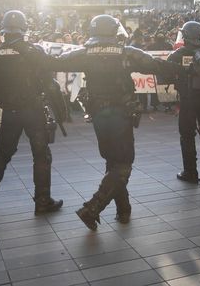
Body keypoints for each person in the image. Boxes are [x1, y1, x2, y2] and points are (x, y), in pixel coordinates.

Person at [56, 15, 183, 230]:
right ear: (113, 31)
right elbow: (155, 65)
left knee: (113, 163)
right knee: (123, 165)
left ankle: (123, 210)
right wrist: (184, 68)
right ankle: (92, 207)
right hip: (120, 114)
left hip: (97, 115)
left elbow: (57, 61)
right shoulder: (126, 52)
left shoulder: (85, 53)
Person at [0, 10, 64, 215]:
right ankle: (42, 202)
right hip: (33, 111)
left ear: (4, 29)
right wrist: (61, 111)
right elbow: (50, 83)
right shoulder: (34, 51)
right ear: (24, 29)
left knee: (2, 156)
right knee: (42, 156)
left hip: (10, 113)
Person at [167, 21, 200, 184]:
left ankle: (191, 173)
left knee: (187, 137)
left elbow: (165, 75)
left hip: (188, 101)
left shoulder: (177, 54)